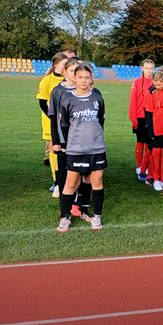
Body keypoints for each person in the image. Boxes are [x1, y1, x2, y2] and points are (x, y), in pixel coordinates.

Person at [55, 64, 106, 233]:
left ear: (91, 78)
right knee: (70, 183)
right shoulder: (68, 99)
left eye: (87, 77)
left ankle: (96, 217)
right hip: (75, 150)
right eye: (80, 77)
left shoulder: (97, 97)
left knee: (96, 182)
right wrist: (67, 145)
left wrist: (95, 137)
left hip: (96, 148)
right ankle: (65, 217)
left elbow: (100, 120)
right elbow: (64, 124)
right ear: (75, 78)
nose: (84, 80)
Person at [49, 58, 89, 216]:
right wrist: (55, 140)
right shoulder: (58, 91)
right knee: (64, 172)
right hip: (64, 139)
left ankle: (78, 203)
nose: (75, 74)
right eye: (72, 71)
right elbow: (53, 117)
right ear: (64, 72)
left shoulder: (85, 90)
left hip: (81, 140)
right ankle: (64, 206)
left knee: (81, 172)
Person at [37, 52, 68, 196]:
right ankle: (57, 181)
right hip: (51, 122)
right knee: (54, 149)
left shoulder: (69, 80)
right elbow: (42, 103)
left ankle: (68, 178)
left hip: (67, 122)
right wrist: (53, 117)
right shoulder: (46, 81)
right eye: (63, 64)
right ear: (56, 65)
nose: (66, 67)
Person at [128, 59, 155, 181]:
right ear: (142, 69)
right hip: (140, 116)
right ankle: (139, 166)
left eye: (151, 68)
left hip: (152, 117)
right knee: (140, 142)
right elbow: (133, 101)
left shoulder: (156, 82)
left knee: (150, 144)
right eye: (147, 68)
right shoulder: (137, 82)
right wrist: (133, 118)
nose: (149, 70)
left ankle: (147, 166)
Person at [144, 72, 163, 191]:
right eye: (156, 84)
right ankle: (156, 178)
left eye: (160, 84)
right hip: (155, 127)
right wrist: (150, 130)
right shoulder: (151, 93)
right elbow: (148, 113)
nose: (158, 86)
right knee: (156, 154)